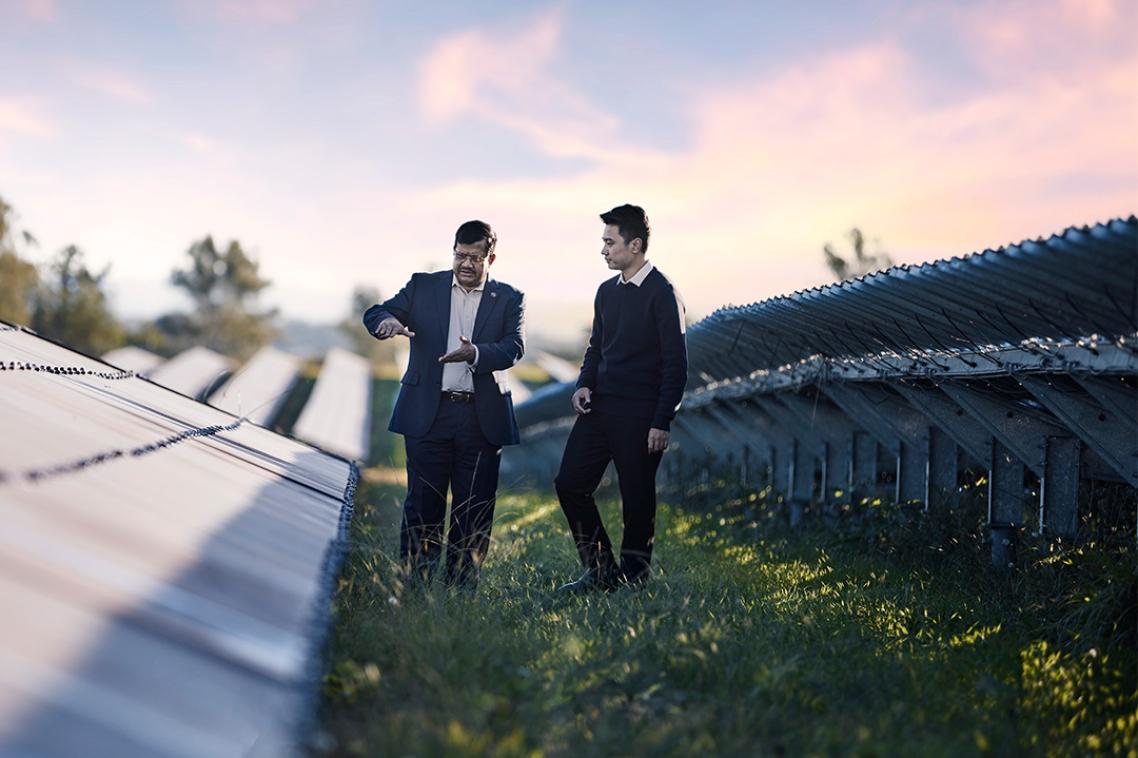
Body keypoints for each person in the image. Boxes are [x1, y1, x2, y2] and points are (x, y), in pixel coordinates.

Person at [363, 220, 525, 590]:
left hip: (481, 417)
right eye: (460, 255)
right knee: (423, 504)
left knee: (474, 509)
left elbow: (514, 346)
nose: (466, 264)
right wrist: (387, 321)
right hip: (428, 413)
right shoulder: (424, 286)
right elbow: (376, 312)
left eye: (475, 257)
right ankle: (414, 585)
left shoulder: (510, 297)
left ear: (491, 258)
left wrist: (476, 353)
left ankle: (459, 589)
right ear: (453, 252)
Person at [554, 204, 688, 592]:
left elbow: (676, 365)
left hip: (642, 416)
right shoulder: (606, 293)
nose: (604, 251)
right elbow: (596, 348)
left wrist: (662, 420)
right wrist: (583, 384)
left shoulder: (663, 294)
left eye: (610, 243)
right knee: (569, 484)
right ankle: (600, 571)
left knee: (637, 500)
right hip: (600, 408)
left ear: (635, 245)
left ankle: (633, 580)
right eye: (603, 242)